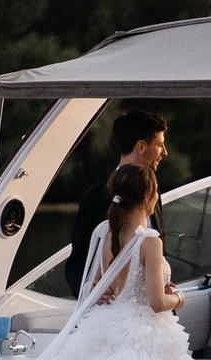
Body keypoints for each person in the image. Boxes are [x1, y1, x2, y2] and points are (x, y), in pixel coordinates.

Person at [19, 164, 204, 360]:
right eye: (156, 191)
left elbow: (95, 285)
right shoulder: (149, 241)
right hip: (142, 335)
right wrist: (180, 297)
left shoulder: (106, 234)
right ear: (148, 196)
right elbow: (157, 303)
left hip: (105, 324)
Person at [66, 109, 167, 295]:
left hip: (151, 316)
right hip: (109, 313)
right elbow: (77, 260)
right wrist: (89, 291)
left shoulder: (153, 194)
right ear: (142, 146)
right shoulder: (95, 197)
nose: (165, 152)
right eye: (160, 145)